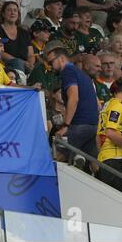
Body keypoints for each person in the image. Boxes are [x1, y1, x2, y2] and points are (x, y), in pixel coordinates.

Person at [45, 42, 99, 171]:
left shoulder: (68, 71)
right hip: (92, 124)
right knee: (94, 163)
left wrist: (66, 126)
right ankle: (108, 187)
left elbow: (74, 98)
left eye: (51, 62)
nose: (50, 67)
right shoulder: (80, 73)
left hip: (79, 124)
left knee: (58, 156)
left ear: (61, 59)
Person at [96, 78, 122, 196]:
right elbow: (110, 133)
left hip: (105, 159)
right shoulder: (118, 106)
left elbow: (99, 135)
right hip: (115, 160)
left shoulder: (107, 104)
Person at [0, 1, 35, 73]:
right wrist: (21, 62)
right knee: (17, 63)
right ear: (3, 14)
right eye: (9, 10)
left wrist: (30, 64)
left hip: (25, 66)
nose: (12, 13)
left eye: (15, 10)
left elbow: (31, 54)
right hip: (5, 65)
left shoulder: (25, 33)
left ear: (18, 14)